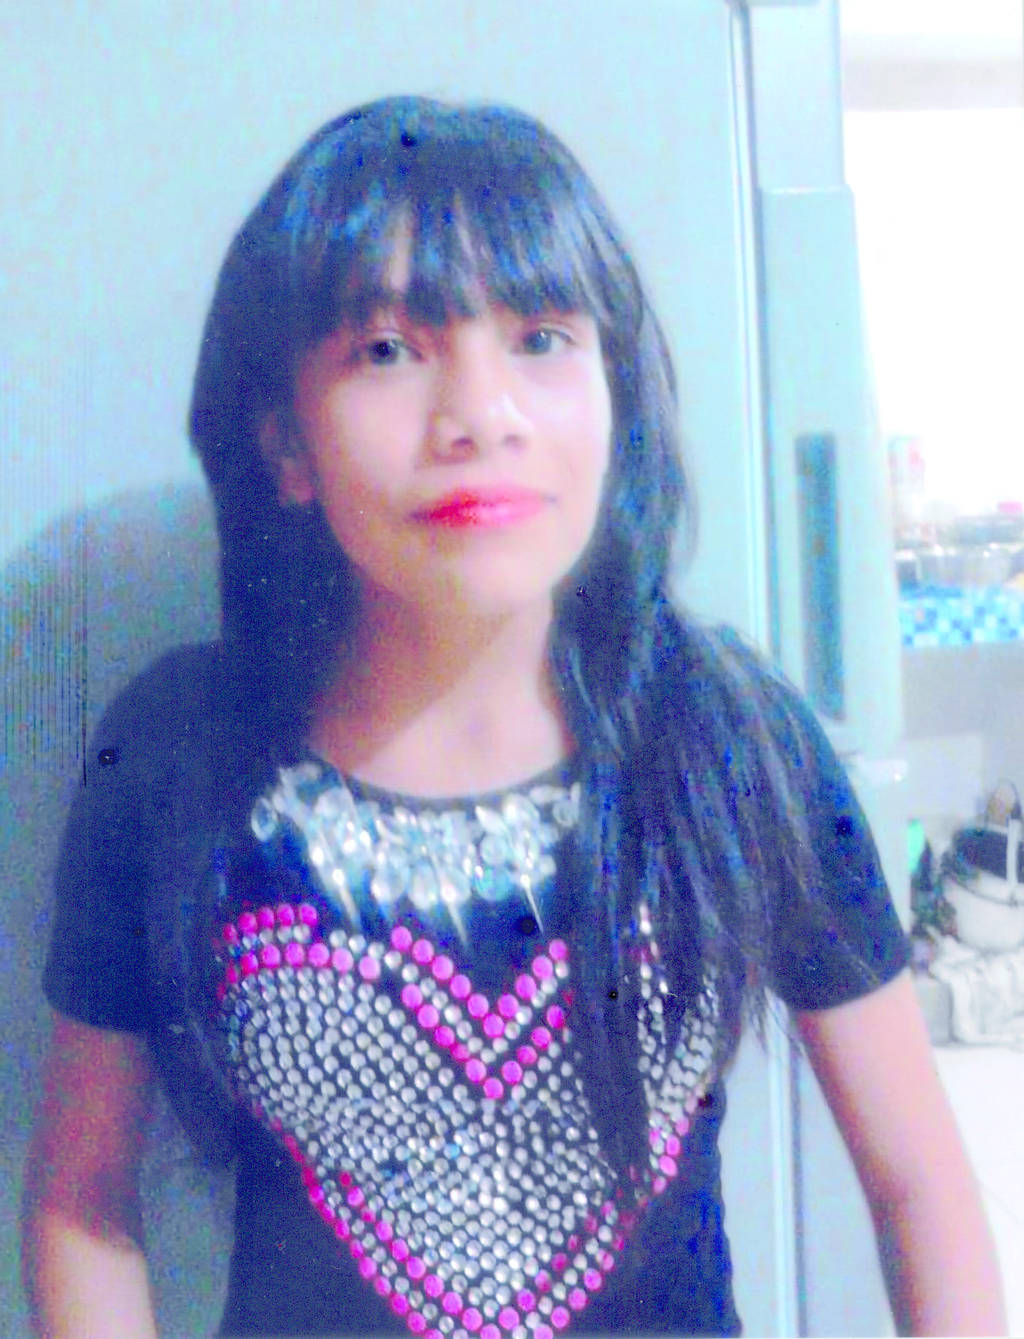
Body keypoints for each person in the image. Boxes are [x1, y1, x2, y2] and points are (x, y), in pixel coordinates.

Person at [22, 96, 1005, 1339]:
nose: (480, 414)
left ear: (615, 397)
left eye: (540, 336)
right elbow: (83, 1202)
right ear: (283, 442)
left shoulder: (732, 740)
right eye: (389, 348)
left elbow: (919, 1184)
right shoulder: (173, 753)